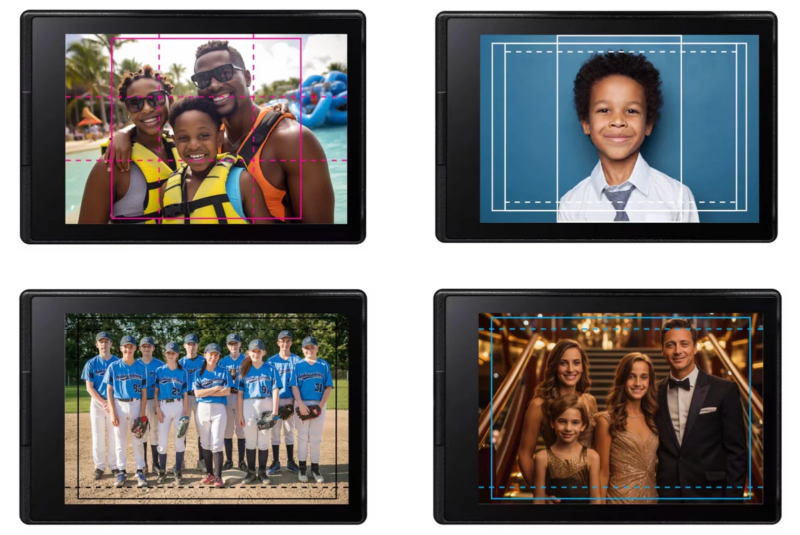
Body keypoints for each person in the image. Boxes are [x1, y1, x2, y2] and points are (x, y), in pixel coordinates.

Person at [112, 40, 334, 222]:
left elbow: (321, 238)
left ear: (247, 77)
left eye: (225, 73)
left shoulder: (292, 140)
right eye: (204, 79)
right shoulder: (205, 141)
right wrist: (124, 133)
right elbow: (157, 122)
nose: (215, 84)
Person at [558, 53, 699, 223]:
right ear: (586, 123)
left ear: (648, 124)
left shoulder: (678, 198)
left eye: (631, 111)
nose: (618, 121)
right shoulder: (571, 205)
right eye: (604, 110)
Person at [655, 318, 747, 501]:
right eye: (671, 345)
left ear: (695, 347)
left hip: (712, 496)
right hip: (666, 498)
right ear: (663, 350)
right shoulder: (653, 393)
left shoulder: (724, 390)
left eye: (684, 344)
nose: (678, 351)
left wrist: (733, 504)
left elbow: (737, 453)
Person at [79, 65, 179, 224]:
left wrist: (124, 132)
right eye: (135, 103)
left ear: (170, 100)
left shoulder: (184, 147)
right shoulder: (110, 166)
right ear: (128, 110)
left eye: (156, 98)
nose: (146, 109)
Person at [159, 97, 272, 223]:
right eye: (184, 138)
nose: (194, 145)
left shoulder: (242, 182)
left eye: (204, 135)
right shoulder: (166, 188)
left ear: (219, 139)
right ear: (175, 141)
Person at [518, 339, 597, 487]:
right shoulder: (539, 405)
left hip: (588, 487)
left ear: (582, 367)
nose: (570, 369)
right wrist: (541, 493)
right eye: (563, 363)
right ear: (554, 367)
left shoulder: (590, 401)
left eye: (576, 362)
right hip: (557, 486)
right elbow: (524, 454)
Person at [594, 352, 659, 503]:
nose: (638, 383)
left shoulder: (653, 418)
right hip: (619, 502)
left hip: (652, 502)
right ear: (622, 380)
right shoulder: (607, 420)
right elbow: (602, 472)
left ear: (650, 381)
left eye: (644, 377)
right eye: (631, 376)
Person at [532, 394, 601, 503]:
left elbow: (596, 500)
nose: (568, 428)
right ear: (552, 423)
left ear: (583, 425)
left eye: (575, 422)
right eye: (562, 421)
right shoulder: (542, 458)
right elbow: (538, 501)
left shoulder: (592, 457)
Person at [103, 335, 149, 488]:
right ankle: (121, 471)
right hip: (119, 405)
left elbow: (144, 392)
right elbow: (109, 390)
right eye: (126, 346)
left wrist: (142, 413)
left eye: (131, 346)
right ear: (121, 348)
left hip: (136, 405)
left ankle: (139, 470)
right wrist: (113, 412)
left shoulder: (141, 367)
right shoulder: (114, 367)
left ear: (135, 348)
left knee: (138, 440)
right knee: (119, 441)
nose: (128, 349)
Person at [237, 339, 281, 484]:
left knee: (263, 440)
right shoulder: (244, 369)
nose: (256, 353)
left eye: (259, 351)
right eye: (253, 351)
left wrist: (274, 412)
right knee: (250, 441)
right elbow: (240, 394)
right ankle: (250, 472)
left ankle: (262, 472)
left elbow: (275, 390)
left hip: (266, 404)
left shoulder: (271, 368)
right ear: (248, 353)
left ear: (264, 352)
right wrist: (239, 414)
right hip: (248, 405)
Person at [291, 336, 334, 483]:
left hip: (318, 404)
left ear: (317, 348)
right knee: (302, 437)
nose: (310, 350)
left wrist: (320, 407)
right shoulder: (297, 365)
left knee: (316, 437)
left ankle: (315, 469)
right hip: (302, 403)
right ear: (303, 350)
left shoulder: (324, 364)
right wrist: (300, 404)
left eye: (312, 347)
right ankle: (302, 469)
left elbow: (328, 387)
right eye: (307, 347)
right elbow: (294, 386)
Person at [80, 331, 120, 480]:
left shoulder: (117, 362)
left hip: (115, 403)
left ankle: (115, 466)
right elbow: (89, 387)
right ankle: (100, 466)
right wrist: (103, 402)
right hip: (98, 403)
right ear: (97, 345)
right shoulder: (91, 363)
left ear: (111, 344)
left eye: (106, 341)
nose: (104, 344)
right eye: (101, 341)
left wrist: (111, 403)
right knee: (97, 436)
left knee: (114, 435)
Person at [194, 343, 234, 488]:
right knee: (205, 442)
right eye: (211, 354)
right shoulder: (198, 372)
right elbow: (197, 393)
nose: (213, 357)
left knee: (217, 442)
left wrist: (207, 391)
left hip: (219, 409)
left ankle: (218, 477)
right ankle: (209, 474)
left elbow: (227, 391)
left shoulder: (223, 371)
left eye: (216, 355)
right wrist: (215, 388)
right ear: (205, 355)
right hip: (202, 408)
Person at [266, 329, 302, 476]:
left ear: (291, 343)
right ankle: (275, 462)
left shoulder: (297, 361)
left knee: (289, 433)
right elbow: (268, 383)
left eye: (288, 341)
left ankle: (290, 462)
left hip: (290, 401)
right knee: (275, 433)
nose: (285, 343)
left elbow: (299, 383)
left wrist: (293, 404)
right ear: (278, 343)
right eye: (283, 341)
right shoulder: (271, 361)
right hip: (274, 400)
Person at [153, 342, 189, 485]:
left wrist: (185, 413)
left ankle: (178, 471)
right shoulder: (159, 370)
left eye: (173, 353)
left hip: (179, 405)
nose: (170, 355)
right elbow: (155, 392)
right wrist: (157, 408)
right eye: (168, 353)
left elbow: (185, 393)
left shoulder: (183, 372)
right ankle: (162, 472)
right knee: (162, 441)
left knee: (179, 440)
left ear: (177, 355)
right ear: (165, 354)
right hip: (164, 406)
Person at [218, 333, 247, 470]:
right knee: (228, 430)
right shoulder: (222, 362)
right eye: (231, 344)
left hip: (242, 397)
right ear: (227, 346)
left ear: (240, 344)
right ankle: (229, 460)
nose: (233, 346)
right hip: (228, 397)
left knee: (241, 430)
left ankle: (241, 461)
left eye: (236, 343)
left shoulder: (247, 360)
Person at [178, 333, 206, 472]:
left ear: (197, 346)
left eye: (193, 344)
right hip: (185, 398)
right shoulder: (181, 362)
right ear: (184, 346)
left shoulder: (203, 361)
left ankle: (202, 461)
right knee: (183, 429)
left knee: (202, 429)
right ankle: (181, 461)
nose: (191, 346)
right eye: (189, 344)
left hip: (200, 398)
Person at [137, 336, 163, 474]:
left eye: (149, 346)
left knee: (154, 432)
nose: (146, 348)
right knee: (142, 433)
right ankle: (143, 463)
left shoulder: (160, 364)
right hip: (139, 402)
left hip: (154, 401)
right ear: (140, 348)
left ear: (153, 348)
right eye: (144, 346)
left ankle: (155, 463)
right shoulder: (134, 364)